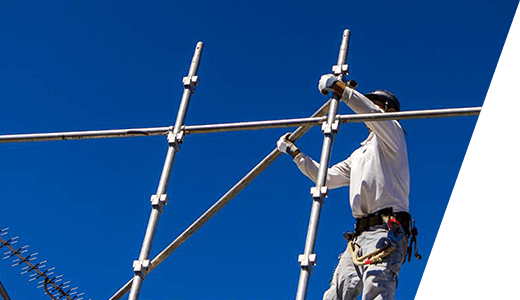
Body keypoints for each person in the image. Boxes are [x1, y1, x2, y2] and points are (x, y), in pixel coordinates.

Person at [277, 74, 415, 300]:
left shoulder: (393, 133)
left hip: (386, 229)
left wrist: (341, 89)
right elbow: (327, 178)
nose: (369, 108)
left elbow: (371, 113)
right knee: (336, 294)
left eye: (376, 104)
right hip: (360, 236)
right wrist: (295, 154)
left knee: (377, 289)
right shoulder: (360, 154)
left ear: (388, 110)